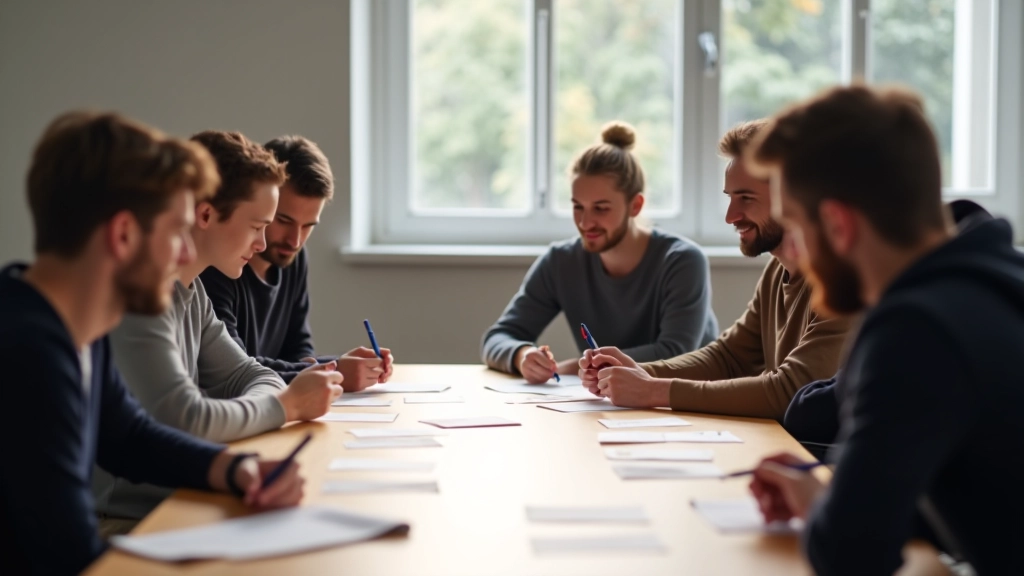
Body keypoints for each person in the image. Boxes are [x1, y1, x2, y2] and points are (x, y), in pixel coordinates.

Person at [0, 111, 306, 576]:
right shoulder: (27, 352)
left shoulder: (77, 330)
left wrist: (232, 469)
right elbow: (67, 556)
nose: (186, 254)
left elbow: (129, 437)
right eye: (176, 232)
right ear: (123, 235)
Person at [746, 85, 1023, 575]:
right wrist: (829, 495)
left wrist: (824, 510)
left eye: (795, 228)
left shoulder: (914, 330)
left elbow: (850, 555)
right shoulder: (998, 281)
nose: (795, 255)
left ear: (836, 225)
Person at [94, 130, 342, 530]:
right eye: (258, 226)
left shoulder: (193, 294)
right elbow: (186, 419)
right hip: (131, 519)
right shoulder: (142, 301)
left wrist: (277, 401)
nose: (263, 244)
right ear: (206, 215)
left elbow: (252, 374)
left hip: (184, 496)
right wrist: (286, 406)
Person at [578, 120, 851, 419]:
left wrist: (653, 390)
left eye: (746, 198)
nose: (730, 216)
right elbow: (729, 357)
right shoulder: (777, 270)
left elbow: (793, 391)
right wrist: (634, 371)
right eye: (730, 198)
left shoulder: (843, 281)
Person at [483, 121, 719, 383]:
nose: (585, 223)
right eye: (578, 207)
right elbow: (498, 337)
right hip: (609, 402)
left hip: (682, 401)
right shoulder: (561, 262)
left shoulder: (682, 261)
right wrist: (522, 355)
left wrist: (576, 367)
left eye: (601, 208)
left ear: (635, 205)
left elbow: (675, 352)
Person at [200, 135, 393, 390]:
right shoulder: (217, 266)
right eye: (283, 221)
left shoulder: (295, 258)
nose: (295, 240)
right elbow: (235, 368)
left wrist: (340, 367)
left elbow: (298, 350)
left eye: (308, 226)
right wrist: (334, 371)